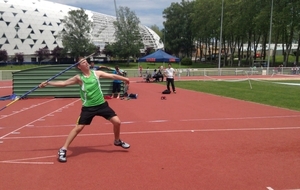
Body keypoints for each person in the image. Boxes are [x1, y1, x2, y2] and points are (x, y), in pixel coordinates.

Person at [39, 57, 130, 163]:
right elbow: (64, 83)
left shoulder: (96, 73)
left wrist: (125, 79)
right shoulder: (79, 78)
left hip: (102, 105)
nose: (86, 63)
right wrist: (49, 83)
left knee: (117, 122)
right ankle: (63, 149)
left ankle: (117, 141)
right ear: (79, 66)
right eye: (83, 62)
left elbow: (112, 76)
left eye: (86, 61)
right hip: (88, 108)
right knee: (78, 128)